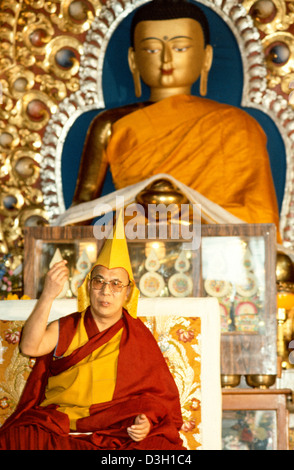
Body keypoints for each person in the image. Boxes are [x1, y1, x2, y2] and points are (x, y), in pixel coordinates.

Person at [71, 0, 280, 232]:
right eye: (152, 49)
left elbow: (258, 217)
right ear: (133, 60)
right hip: (136, 242)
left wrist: (183, 217)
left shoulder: (238, 125)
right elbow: (84, 206)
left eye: (180, 48)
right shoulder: (111, 123)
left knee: (280, 266)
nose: (166, 60)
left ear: (206, 57)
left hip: (215, 248)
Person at [0, 213, 185, 450]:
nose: (106, 291)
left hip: (116, 430)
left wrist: (145, 423)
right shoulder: (68, 327)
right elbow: (30, 347)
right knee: (17, 438)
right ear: (89, 286)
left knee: (161, 449)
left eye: (116, 284)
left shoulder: (137, 336)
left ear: (128, 292)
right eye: (99, 281)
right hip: (62, 427)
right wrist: (48, 294)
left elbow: (157, 400)